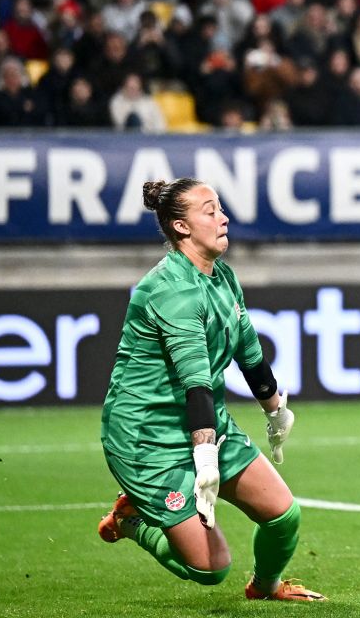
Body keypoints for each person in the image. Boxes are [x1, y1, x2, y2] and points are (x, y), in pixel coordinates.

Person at [97, 178, 325, 602]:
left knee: (283, 515)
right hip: (147, 438)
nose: (224, 218)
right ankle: (130, 523)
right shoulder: (170, 291)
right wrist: (205, 457)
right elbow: (195, 380)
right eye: (210, 210)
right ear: (182, 228)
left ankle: (265, 588)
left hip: (206, 422)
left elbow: (249, 352)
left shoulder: (221, 276)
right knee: (210, 569)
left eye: (220, 208)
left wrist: (275, 411)